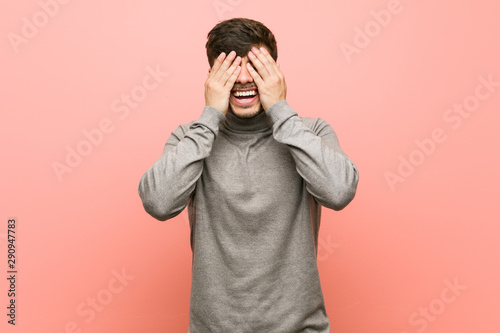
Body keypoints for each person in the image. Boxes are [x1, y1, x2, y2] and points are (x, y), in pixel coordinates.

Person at [138, 17, 359, 333]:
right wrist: (209, 116)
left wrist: (281, 110)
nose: (243, 78)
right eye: (230, 69)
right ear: (212, 78)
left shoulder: (310, 132)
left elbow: (339, 191)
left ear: (275, 74)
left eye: (255, 66)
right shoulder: (191, 137)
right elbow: (159, 202)